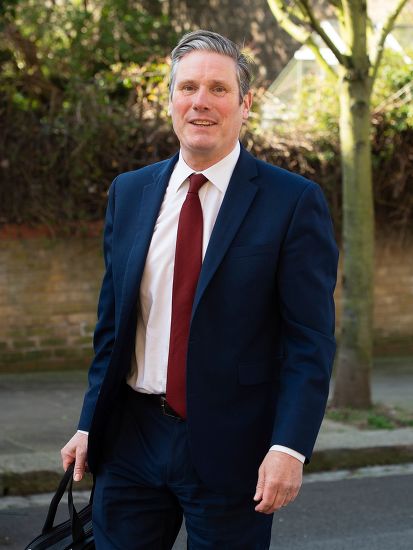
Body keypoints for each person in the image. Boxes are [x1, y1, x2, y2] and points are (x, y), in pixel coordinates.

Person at [61, 29, 338, 549]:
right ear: (170, 100)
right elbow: (114, 325)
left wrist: (289, 448)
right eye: (188, 87)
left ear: (245, 103)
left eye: (217, 88)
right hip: (130, 442)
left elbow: (310, 343)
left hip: (235, 449)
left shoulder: (292, 201)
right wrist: (89, 422)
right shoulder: (130, 192)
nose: (201, 102)